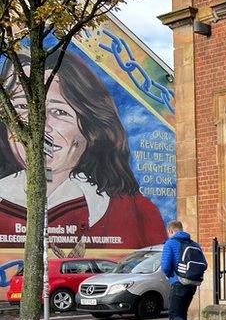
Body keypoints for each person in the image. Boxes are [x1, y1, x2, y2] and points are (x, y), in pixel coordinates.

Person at [0, 51, 167, 248]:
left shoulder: (135, 211)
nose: (40, 125)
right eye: (21, 106)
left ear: (90, 129)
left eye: (59, 112)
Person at [161, 220, 205, 320]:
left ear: (171, 231)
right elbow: (204, 264)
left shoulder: (170, 243)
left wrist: (170, 277)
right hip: (192, 284)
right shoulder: (194, 244)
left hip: (178, 283)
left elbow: (165, 266)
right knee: (182, 314)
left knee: (173, 316)